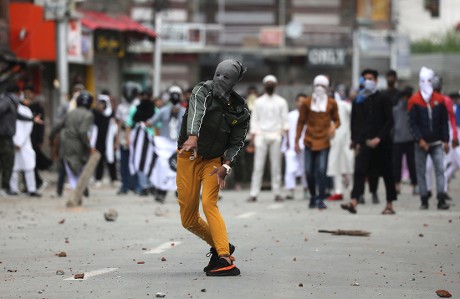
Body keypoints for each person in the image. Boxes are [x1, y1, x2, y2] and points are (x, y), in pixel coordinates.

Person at [177, 59, 249, 276]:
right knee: (188, 219)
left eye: (226, 77)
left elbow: (237, 142)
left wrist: (226, 165)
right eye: (218, 74)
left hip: (213, 162)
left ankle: (225, 258)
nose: (219, 79)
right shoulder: (202, 90)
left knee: (209, 203)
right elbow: (195, 113)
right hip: (189, 155)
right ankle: (222, 245)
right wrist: (192, 136)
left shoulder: (240, 109)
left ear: (234, 81)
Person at [341, 69, 397, 215]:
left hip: (382, 142)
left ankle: (389, 204)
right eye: (365, 79)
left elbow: (390, 121)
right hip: (365, 142)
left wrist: (379, 138)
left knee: (387, 173)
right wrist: (355, 140)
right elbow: (355, 122)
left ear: (377, 80)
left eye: (370, 79)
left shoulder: (384, 98)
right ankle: (354, 201)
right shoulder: (359, 100)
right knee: (359, 171)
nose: (368, 82)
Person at [295, 75, 340, 209]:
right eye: (317, 85)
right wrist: (296, 140)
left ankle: (321, 197)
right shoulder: (307, 103)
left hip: (324, 141)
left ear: (327, 88)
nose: (320, 88)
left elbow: (337, 120)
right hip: (309, 140)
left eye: (323, 86)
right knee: (308, 171)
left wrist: (333, 127)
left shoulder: (332, 103)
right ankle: (313, 196)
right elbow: (301, 122)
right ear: (314, 87)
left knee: (321, 171)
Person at [408, 67, 449, 210]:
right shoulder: (414, 100)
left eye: (429, 80)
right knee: (421, 171)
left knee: (440, 169)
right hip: (421, 143)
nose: (426, 83)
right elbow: (412, 123)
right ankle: (424, 199)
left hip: (437, 142)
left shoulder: (439, 100)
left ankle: (441, 199)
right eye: (423, 80)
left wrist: (446, 140)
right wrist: (419, 139)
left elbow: (444, 121)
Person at [247, 75, 289, 202]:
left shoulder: (281, 101)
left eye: (272, 83)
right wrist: (253, 139)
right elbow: (254, 121)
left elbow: (285, 121)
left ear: (275, 85)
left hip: (276, 135)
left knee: (276, 166)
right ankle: (254, 193)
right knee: (258, 166)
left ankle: (277, 193)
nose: (270, 85)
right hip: (261, 135)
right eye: (268, 83)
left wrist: (285, 137)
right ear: (264, 85)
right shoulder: (258, 102)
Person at [146, 85, 186, 203]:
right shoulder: (163, 111)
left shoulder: (185, 112)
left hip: (179, 144)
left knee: (179, 169)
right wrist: (144, 124)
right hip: (164, 144)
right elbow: (151, 122)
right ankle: (161, 192)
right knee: (164, 168)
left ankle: (179, 192)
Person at [50, 91, 96, 192]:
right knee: (78, 169)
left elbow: (57, 126)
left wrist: (51, 137)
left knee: (67, 167)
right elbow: (83, 131)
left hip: (65, 145)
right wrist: (88, 146)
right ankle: (79, 191)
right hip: (78, 146)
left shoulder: (70, 113)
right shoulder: (89, 115)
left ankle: (61, 189)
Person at [327, 84, 353, 201]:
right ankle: (338, 191)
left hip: (347, 139)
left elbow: (354, 117)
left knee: (350, 164)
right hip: (333, 141)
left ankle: (353, 189)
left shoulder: (344, 105)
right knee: (335, 165)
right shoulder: (324, 107)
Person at [10, 101, 41, 197]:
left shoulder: (25, 111)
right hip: (15, 141)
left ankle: (31, 189)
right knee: (14, 167)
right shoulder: (12, 110)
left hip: (23, 143)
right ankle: (13, 189)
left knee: (28, 166)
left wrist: (19, 142)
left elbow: (27, 127)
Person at [115, 82, 141, 195]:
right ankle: (124, 185)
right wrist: (116, 140)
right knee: (124, 162)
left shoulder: (138, 105)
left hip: (136, 135)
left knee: (135, 162)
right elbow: (119, 124)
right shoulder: (121, 107)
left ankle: (135, 185)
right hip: (123, 136)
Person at [392, 86, 417, 195]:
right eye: (403, 97)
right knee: (397, 164)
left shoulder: (412, 109)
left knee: (412, 164)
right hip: (398, 140)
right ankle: (396, 184)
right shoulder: (395, 109)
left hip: (409, 140)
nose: (405, 100)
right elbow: (392, 125)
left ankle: (414, 185)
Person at [283, 93, 308, 200]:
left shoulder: (309, 115)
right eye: (299, 101)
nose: (301, 103)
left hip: (305, 146)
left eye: (303, 101)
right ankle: (291, 191)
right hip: (292, 146)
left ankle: (306, 190)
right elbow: (287, 131)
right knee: (290, 169)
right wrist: (286, 145)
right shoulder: (290, 115)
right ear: (296, 102)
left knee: (305, 170)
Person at [91, 94, 118, 186]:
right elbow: (94, 129)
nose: (100, 106)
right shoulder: (97, 115)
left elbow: (115, 129)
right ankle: (98, 179)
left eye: (102, 104)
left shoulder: (111, 114)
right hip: (99, 141)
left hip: (109, 141)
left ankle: (114, 179)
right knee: (99, 161)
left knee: (111, 161)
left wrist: (115, 142)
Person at [0, 84, 20, 196]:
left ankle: (5, 187)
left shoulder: (10, 102)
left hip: (5, 136)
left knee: (6, 162)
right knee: (7, 162)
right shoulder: (7, 101)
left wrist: (31, 119)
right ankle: (4, 188)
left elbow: (18, 115)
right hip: (4, 137)